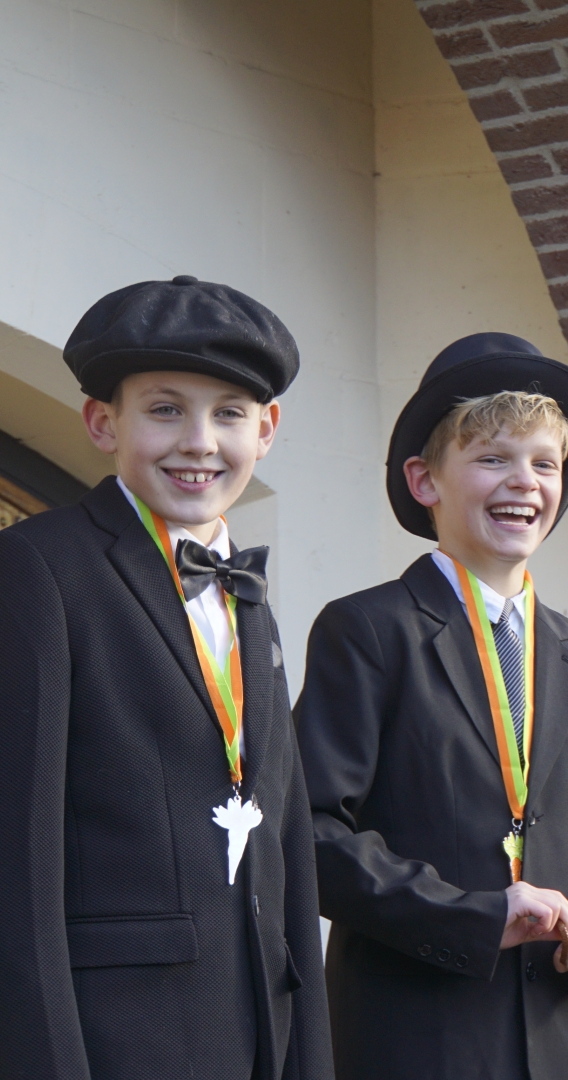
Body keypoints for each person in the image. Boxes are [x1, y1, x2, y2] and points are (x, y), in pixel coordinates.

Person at [0, 277, 334, 1079]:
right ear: (101, 421)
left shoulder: (249, 593)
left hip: (259, 1036)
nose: (199, 442)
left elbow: (285, 848)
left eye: (229, 414)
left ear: (266, 430)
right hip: (119, 1042)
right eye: (164, 410)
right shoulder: (38, 567)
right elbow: (19, 860)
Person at [295, 332, 568, 1080]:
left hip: (554, 1042)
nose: (524, 482)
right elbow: (312, 834)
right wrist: (474, 917)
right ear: (425, 480)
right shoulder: (367, 632)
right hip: (411, 1039)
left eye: (544, 464)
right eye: (492, 458)